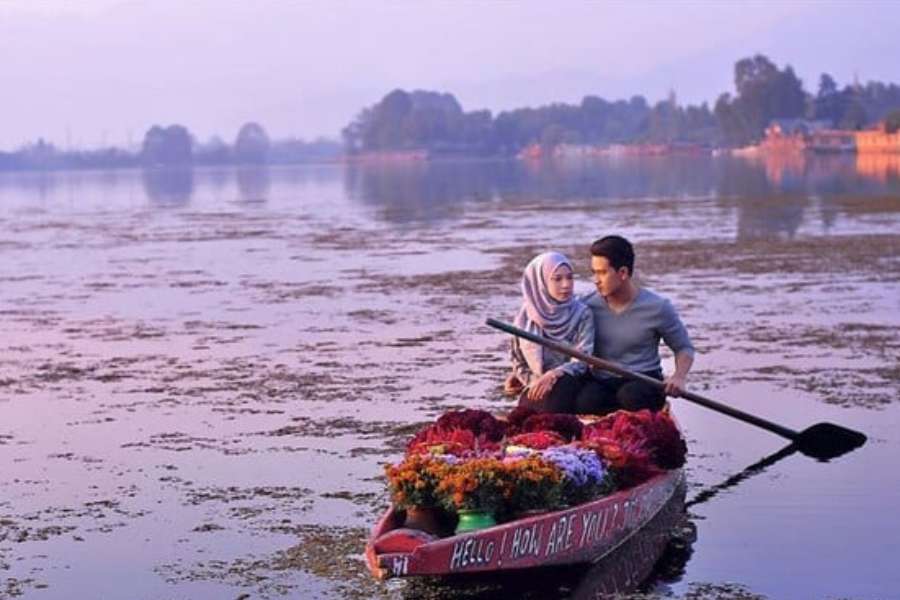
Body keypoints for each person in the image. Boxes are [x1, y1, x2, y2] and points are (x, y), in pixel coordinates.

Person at [575, 235, 694, 414]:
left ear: (622, 273)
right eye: (593, 272)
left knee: (630, 395)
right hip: (603, 380)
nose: (595, 280)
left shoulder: (658, 307)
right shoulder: (586, 306)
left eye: (602, 273)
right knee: (586, 402)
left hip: (644, 380)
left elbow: (684, 348)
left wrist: (678, 377)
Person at [505, 252, 594, 413]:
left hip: (571, 380)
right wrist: (533, 382)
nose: (566, 284)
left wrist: (553, 375)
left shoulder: (582, 314)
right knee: (527, 414)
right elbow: (518, 361)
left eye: (570, 277)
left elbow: (582, 360)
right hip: (537, 382)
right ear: (541, 282)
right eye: (557, 279)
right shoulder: (525, 317)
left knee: (555, 405)